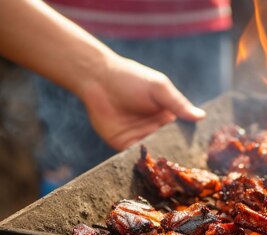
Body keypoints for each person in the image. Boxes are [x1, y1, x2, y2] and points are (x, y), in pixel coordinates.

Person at [0, 0, 232, 194]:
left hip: (201, 27)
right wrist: (99, 74)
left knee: (204, 162)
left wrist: (101, 76)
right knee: (71, 181)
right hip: (62, 30)